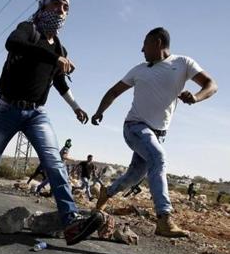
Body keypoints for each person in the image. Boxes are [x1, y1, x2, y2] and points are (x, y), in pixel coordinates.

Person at [0, 0, 103, 245]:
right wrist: (55, 57)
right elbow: (12, 44)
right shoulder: (28, 29)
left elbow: (58, 81)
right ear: (45, 5)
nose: (61, 11)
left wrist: (75, 106)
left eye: (66, 8)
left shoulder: (59, 46)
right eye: (57, 4)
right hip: (8, 108)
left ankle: (71, 223)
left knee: (54, 163)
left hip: (37, 114)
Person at [91, 27, 218, 238]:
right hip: (134, 126)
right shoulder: (139, 69)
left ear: (158, 43)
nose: (141, 50)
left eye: (145, 44)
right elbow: (114, 91)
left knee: (133, 176)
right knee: (158, 157)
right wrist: (99, 112)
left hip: (158, 133)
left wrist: (196, 97)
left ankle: (107, 193)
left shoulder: (183, 63)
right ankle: (164, 219)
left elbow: (211, 85)